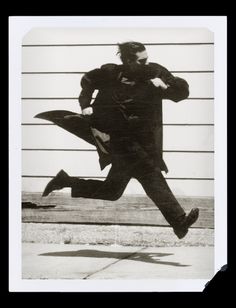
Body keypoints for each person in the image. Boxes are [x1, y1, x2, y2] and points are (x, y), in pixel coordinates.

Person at [42, 41, 199, 239]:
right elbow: (88, 81)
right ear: (127, 61)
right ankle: (178, 221)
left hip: (143, 141)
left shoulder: (155, 72)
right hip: (119, 138)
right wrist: (85, 105)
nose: (146, 63)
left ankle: (65, 181)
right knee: (151, 174)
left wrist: (166, 86)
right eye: (141, 61)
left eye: (146, 59)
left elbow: (182, 92)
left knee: (112, 191)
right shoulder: (110, 73)